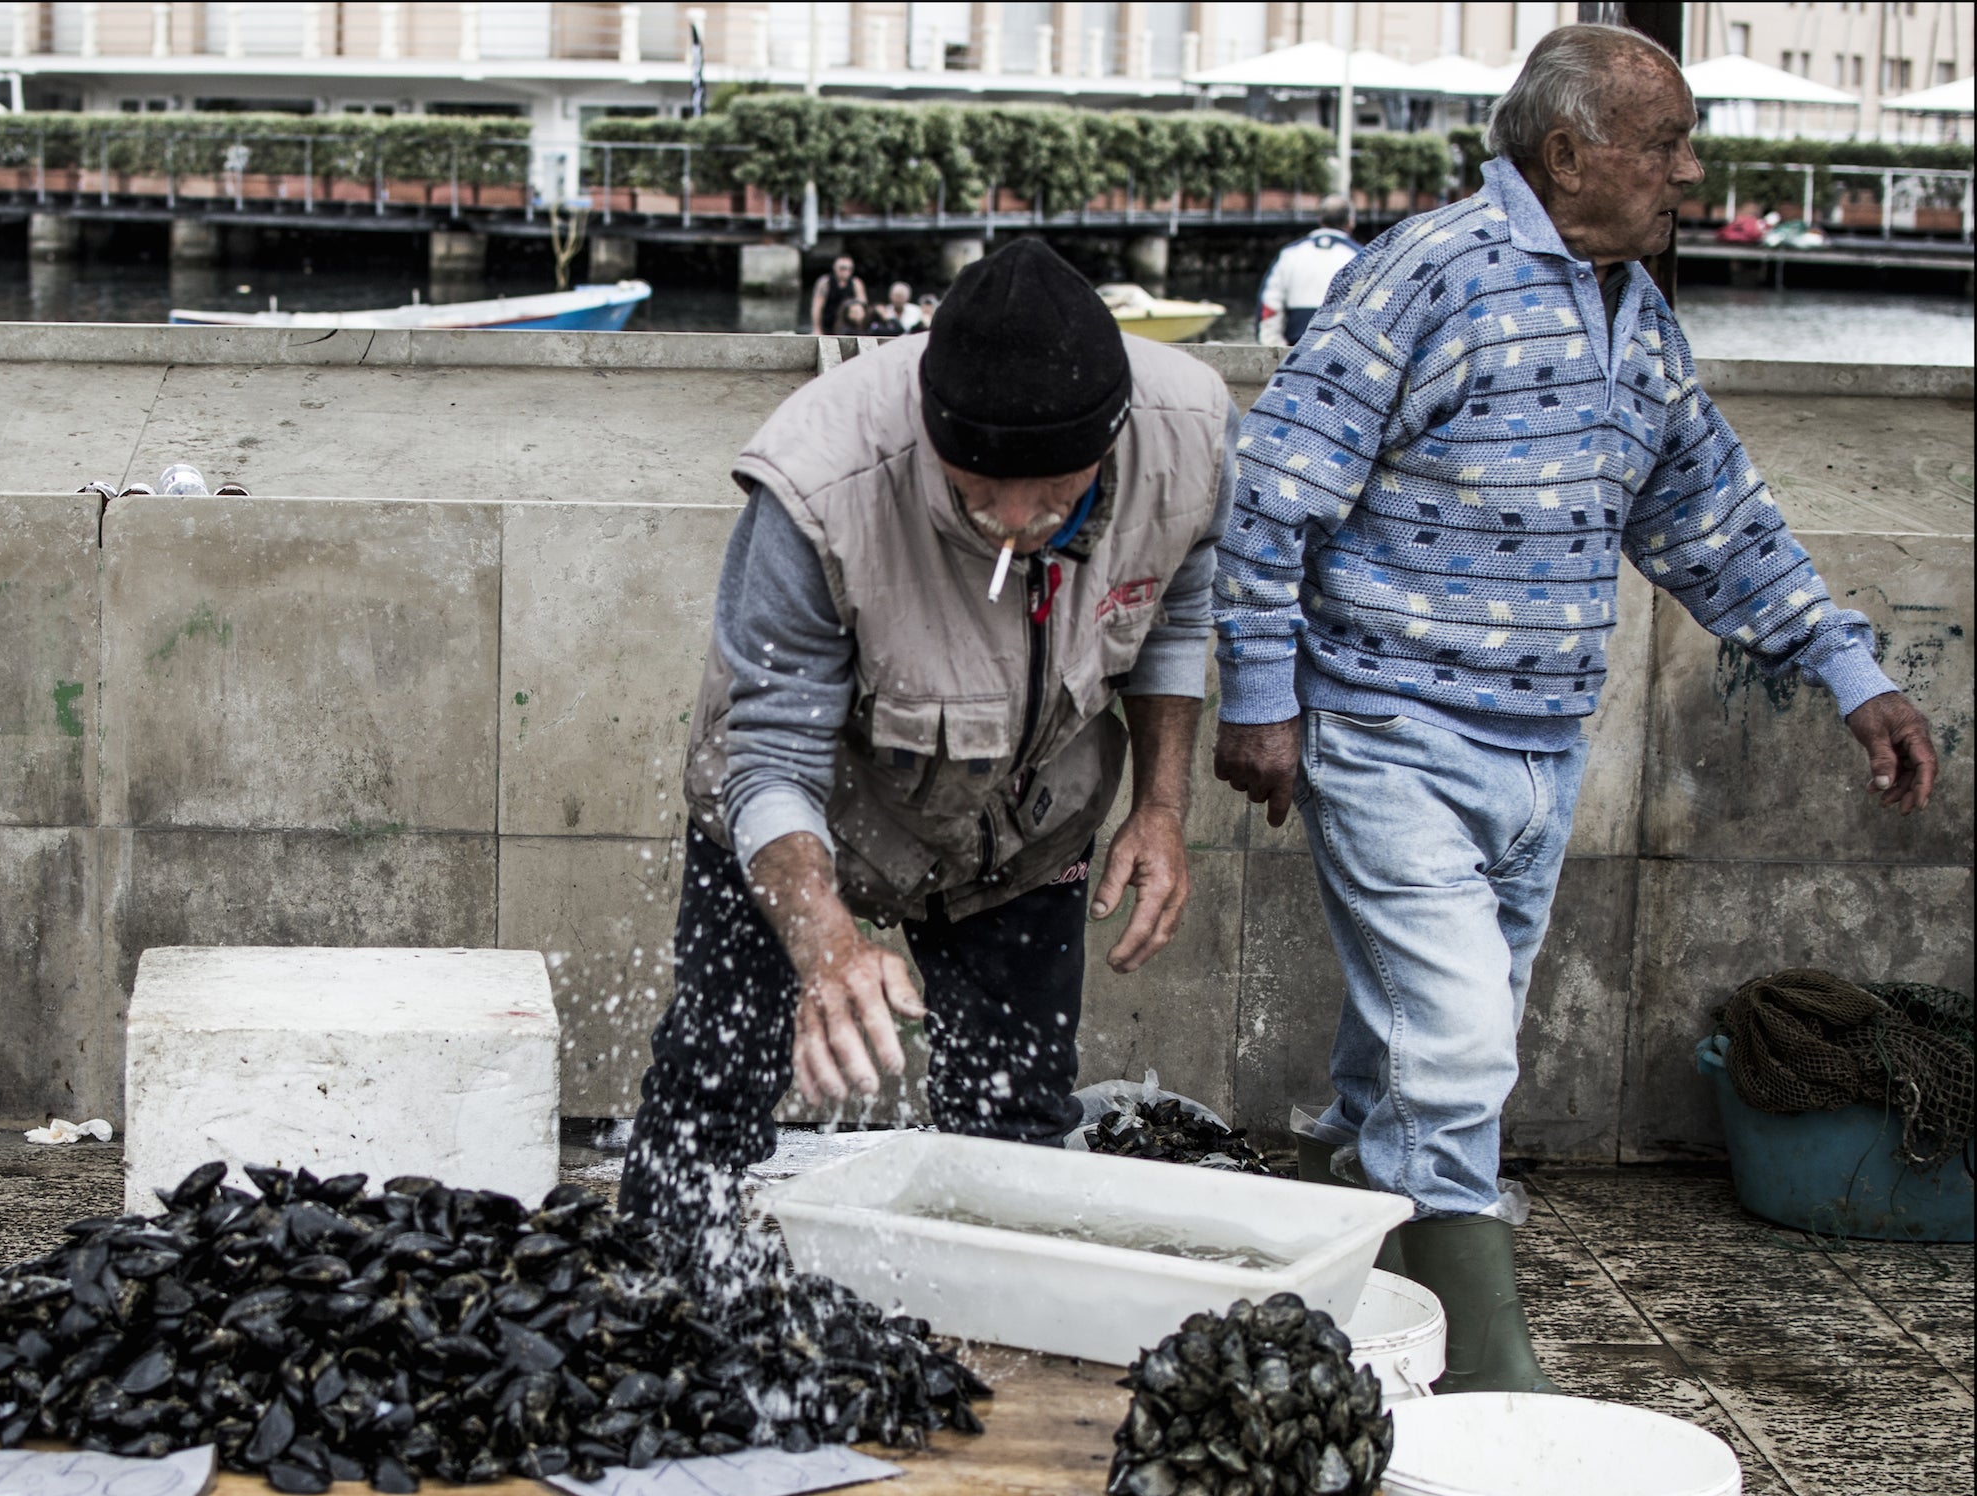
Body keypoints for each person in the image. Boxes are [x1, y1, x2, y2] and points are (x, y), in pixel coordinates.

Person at [1212, 23, 1937, 1392]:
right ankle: (1491, 1363)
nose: (1690, 167)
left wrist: (1855, 672)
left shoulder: (1634, 314)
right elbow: (1278, 483)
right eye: (1664, 141)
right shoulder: (1428, 274)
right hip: (1389, 729)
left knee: (1414, 1037)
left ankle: (1338, 1276)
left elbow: (1716, 518)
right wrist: (1260, 696)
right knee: (1463, 1040)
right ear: (1567, 153)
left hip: (1540, 750)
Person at [620, 240, 1241, 1235]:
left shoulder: (1192, 434)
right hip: (806, 819)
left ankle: (985, 1336)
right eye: (977, 485)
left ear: (1111, 438)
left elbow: (1175, 602)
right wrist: (827, 947)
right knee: (712, 1081)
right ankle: (654, 1299)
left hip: (1027, 827)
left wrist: (1160, 805)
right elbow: (768, 755)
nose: (1012, 522)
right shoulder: (818, 481)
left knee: (1012, 1124)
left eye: (1051, 491)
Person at [1254, 196, 1361, 346]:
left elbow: (1270, 304)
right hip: (1339, 349)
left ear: (1320, 219)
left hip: (1295, 345)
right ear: (1350, 222)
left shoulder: (1289, 254)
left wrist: (1273, 346)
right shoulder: (1360, 256)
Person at [809, 253, 866, 337]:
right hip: (828, 322)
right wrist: (817, 328)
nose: (846, 272)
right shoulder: (825, 282)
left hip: (847, 324)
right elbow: (816, 308)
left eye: (849, 269)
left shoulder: (856, 283)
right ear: (835, 268)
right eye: (842, 268)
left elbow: (863, 305)